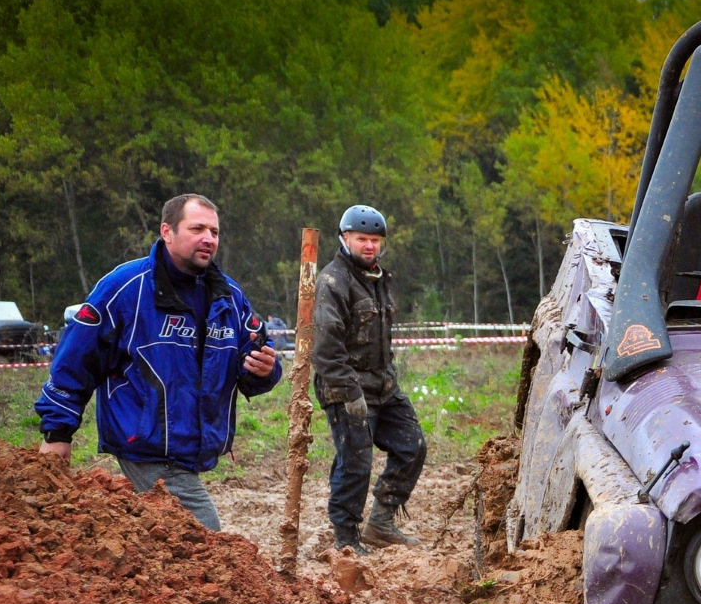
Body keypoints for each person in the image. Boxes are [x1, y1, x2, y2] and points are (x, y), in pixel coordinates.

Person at [35, 194, 282, 531]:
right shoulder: (125, 288)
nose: (208, 238)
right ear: (167, 231)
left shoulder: (229, 296)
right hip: (146, 445)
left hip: (191, 448)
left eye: (214, 231)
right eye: (197, 228)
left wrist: (262, 370)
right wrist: (57, 432)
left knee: (158, 541)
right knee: (205, 536)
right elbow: (76, 359)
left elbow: (251, 359)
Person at [312, 204, 426, 554]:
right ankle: (345, 538)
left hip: (383, 385)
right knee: (356, 462)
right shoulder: (333, 281)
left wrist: (389, 380)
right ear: (345, 239)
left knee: (413, 446)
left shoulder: (378, 279)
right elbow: (327, 347)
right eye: (362, 239)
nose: (369, 246)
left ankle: (381, 522)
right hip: (345, 387)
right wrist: (349, 394)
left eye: (375, 240)